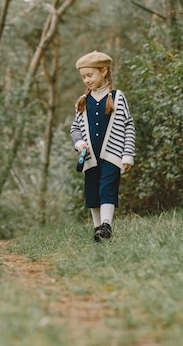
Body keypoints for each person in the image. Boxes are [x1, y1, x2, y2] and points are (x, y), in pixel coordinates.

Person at [70, 50, 135, 242]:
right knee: (92, 192)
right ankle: (98, 229)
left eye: (90, 75)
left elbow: (128, 125)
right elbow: (75, 128)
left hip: (112, 153)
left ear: (104, 71)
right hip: (91, 156)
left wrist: (127, 154)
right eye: (83, 77)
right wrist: (80, 143)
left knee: (107, 188)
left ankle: (107, 225)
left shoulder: (117, 97)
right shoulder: (82, 101)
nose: (87, 80)